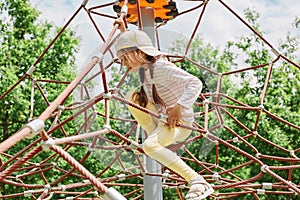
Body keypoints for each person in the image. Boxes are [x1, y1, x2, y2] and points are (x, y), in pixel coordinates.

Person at [114, 19, 214, 200]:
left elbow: (195, 82)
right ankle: (153, 133)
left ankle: (197, 180)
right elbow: (134, 42)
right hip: (161, 118)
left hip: (178, 122)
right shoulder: (145, 68)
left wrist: (179, 107)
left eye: (125, 58)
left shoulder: (160, 67)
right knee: (134, 97)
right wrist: (124, 32)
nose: (124, 63)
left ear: (138, 54)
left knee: (150, 146)